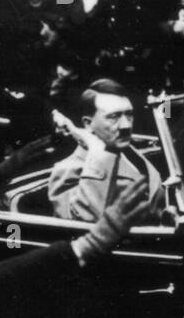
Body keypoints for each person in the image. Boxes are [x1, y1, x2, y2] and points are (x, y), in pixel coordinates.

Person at [48, 79, 164, 223]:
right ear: (88, 124)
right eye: (113, 117)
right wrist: (96, 149)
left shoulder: (134, 156)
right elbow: (89, 222)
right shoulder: (68, 170)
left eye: (129, 114)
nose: (126, 125)